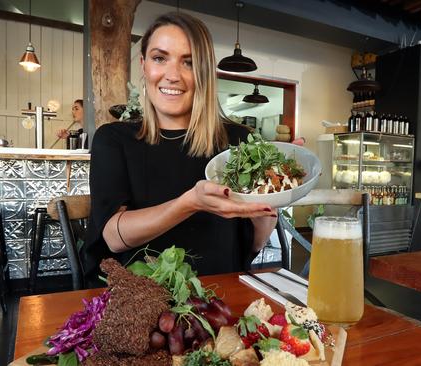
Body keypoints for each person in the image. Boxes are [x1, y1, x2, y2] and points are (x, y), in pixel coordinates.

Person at [83, 12, 277, 285]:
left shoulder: (239, 140)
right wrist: (189, 203)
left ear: (205, 72)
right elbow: (114, 239)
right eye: (160, 58)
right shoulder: (114, 139)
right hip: (139, 302)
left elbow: (254, 244)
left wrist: (273, 201)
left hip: (220, 297)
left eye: (188, 62)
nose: (172, 75)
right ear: (143, 65)